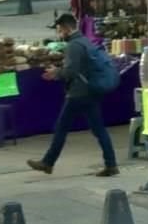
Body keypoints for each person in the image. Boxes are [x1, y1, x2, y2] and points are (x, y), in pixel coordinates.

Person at [26, 14, 119, 177]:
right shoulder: (85, 41)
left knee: (61, 128)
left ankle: (48, 162)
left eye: (60, 30)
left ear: (67, 28)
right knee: (99, 130)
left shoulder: (74, 45)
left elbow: (71, 71)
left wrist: (56, 73)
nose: (59, 33)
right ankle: (111, 164)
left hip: (78, 93)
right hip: (90, 91)